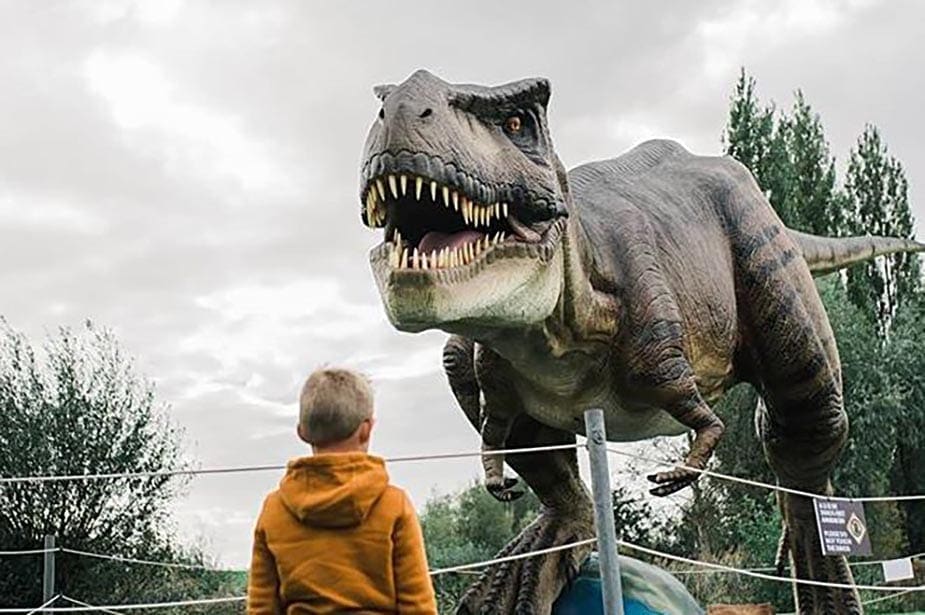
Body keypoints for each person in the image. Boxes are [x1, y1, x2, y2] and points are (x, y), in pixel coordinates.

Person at [247, 367, 438, 614]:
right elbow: (419, 606)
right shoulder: (393, 504)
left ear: (301, 432)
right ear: (366, 429)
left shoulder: (274, 510)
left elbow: (261, 608)